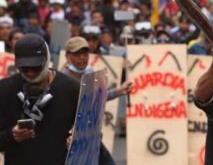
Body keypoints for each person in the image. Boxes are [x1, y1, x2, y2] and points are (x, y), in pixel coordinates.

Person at [0, 34, 80, 164]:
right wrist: (11, 136)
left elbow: (92, 134)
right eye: (24, 68)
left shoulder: (72, 89)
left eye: (36, 67)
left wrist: (78, 139)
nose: (31, 73)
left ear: (47, 59)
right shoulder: (4, 90)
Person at [61, 36, 133, 165]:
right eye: (77, 54)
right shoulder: (64, 79)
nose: (82, 57)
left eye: (85, 53)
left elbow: (96, 98)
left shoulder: (89, 74)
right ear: (68, 56)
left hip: (90, 133)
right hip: (73, 137)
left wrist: (119, 91)